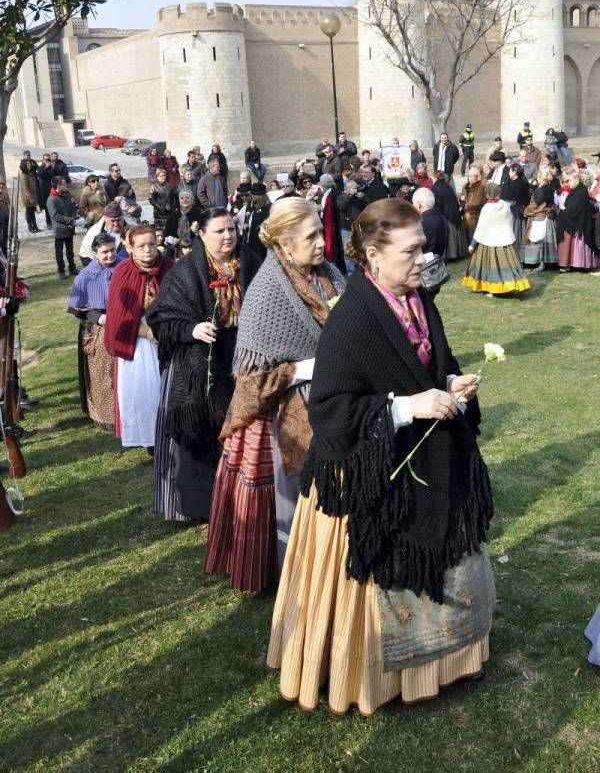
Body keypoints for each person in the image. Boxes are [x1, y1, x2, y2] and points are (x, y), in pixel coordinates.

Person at [267, 198, 494, 714]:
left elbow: (436, 361)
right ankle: (381, 678)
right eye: (411, 249)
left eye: (424, 246)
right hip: (370, 481)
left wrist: (453, 382)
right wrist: (406, 407)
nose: (424, 257)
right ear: (373, 255)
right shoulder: (351, 321)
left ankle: (453, 659)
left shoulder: (419, 300)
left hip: (430, 465)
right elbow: (330, 414)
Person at [205, 198, 346, 592]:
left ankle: (335, 565)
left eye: (321, 232)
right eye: (311, 236)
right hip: (283, 414)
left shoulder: (329, 273)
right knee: (296, 497)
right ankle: (298, 573)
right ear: (284, 243)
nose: (321, 242)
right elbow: (252, 378)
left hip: (335, 398)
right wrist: (305, 369)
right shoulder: (267, 291)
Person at [146, 208, 262, 522]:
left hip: (245, 357)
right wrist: (191, 329)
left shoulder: (251, 261)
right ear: (202, 235)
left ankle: (244, 496)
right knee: (202, 431)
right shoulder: (186, 271)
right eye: (220, 231)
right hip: (200, 361)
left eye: (232, 230)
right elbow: (160, 317)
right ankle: (202, 503)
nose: (228, 237)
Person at [104, 224, 173, 453]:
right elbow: (119, 317)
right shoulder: (123, 272)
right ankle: (151, 439)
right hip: (139, 345)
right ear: (130, 247)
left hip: (170, 339)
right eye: (141, 246)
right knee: (145, 392)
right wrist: (149, 333)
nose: (148, 250)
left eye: (152, 244)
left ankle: (173, 435)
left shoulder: (170, 268)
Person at [67, 232, 120, 430]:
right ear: (95, 253)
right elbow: (76, 308)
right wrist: (99, 317)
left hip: (125, 326)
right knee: (103, 374)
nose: (109, 255)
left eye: (112, 250)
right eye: (104, 252)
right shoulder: (85, 276)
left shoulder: (124, 267)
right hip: (99, 329)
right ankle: (106, 416)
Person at [463, 186, 531, 295]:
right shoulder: (505, 205)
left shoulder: (487, 208)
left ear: (488, 194)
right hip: (505, 239)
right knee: (508, 266)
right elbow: (510, 220)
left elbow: (481, 228)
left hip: (489, 240)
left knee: (491, 266)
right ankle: (512, 285)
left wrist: (472, 245)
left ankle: (492, 288)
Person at [556, 167, 597, 272]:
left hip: (581, 225)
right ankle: (574, 264)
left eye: (570, 181)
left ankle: (583, 265)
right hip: (577, 223)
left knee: (580, 245)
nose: (568, 183)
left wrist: (565, 208)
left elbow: (576, 207)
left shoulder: (581, 191)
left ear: (576, 180)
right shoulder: (576, 190)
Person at [522, 167, 558, 271]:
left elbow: (536, 204)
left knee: (540, 241)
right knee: (542, 241)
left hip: (541, 218)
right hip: (544, 217)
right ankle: (542, 263)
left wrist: (526, 211)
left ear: (543, 177)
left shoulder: (544, 189)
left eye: (539, 176)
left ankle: (542, 263)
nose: (537, 177)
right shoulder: (547, 188)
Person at [79, 202, 131, 267]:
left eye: (118, 220)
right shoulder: (95, 232)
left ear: (122, 217)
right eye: (112, 221)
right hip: (90, 257)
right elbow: (96, 255)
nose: (116, 224)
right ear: (105, 219)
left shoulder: (132, 226)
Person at [47, 177, 79, 279]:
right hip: (60, 229)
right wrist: (69, 220)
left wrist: (72, 219)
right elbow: (55, 215)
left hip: (69, 228)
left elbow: (73, 209)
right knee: (59, 252)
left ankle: (72, 268)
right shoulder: (52, 199)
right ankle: (61, 271)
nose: (66, 185)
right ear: (58, 185)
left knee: (70, 251)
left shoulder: (67, 195)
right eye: (64, 184)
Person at [432, 172, 468, 260]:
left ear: (435, 178)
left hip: (445, 216)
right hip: (454, 214)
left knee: (449, 235)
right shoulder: (448, 186)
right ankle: (459, 253)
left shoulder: (435, 188)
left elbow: (436, 204)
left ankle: (450, 255)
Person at [318, 173, 346, 274]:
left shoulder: (335, 193)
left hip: (334, 224)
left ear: (325, 184)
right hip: (327, 223)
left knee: (336, 247)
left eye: (321, 183)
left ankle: (341, 269)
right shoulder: (326, 193)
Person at [501, 162, 531, 247]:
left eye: (510, 171)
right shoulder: (520, 181)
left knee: (516, 233)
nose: (508, 173)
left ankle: (517, 252)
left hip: (517, 213)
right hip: (518, 211)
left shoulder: (516, 183)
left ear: (514, 172)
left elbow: (508, 197)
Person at [412, 187, 448, 257]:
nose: (413, 206)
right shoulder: (442, 218)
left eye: (413, 203)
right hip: (438, 262)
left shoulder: (421, 223)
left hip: (425, 264)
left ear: (419, 204)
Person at [460, 165, 486, 241]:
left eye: (472, 176)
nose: (470, 178)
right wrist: (461, 200)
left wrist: (466, 206)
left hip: (475, 217)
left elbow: (478, 202)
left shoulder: (480, 187)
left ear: (477, 177)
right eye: (469, 176)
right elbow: (462, 198)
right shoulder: (465, 186)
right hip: (466, 216)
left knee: (474, 237)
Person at [19, 151, 40, 233]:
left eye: (30, 164)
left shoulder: (30, 173)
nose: (30, 165)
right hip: (28, 197)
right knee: (29, 212)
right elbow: (25, 188)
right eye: (28, 164)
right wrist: (30, 198)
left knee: (32, 212)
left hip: (32, 196)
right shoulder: (24, 175)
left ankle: (35, 226)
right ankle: (30, 227)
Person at [36, 152, 54, 228]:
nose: (47, 161)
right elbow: (40, 175)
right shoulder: (41, 168)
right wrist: (46, 167)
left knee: (54, 206)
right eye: (46, 159)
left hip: (52, 189)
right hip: (45, 191)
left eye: (48, 159)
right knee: (47, 208)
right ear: (43, 160)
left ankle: (54, 221)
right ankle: (48, 223)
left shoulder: (52, 167)